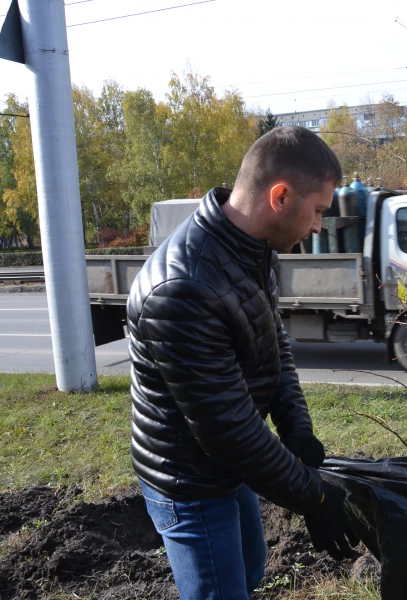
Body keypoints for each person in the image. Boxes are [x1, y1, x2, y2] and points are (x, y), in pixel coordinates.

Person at [128, 126, 359, 599]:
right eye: (317, 211)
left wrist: (297, 426)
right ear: (280, 196)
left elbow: (273, 343)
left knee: (250, 572)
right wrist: (314, 499)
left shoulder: (252, 251)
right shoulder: (183, 289)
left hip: (230, 467)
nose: (318, 226)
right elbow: (229, 431)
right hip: (189, 481)